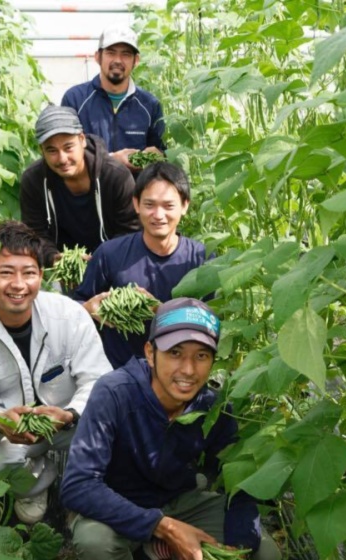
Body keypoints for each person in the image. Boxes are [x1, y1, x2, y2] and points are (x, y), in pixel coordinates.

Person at [59, 298, 280, 560]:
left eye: (202, 356)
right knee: (94, 544)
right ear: (150, 352)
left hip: (179, 498)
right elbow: (77, 486)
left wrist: (236, 548)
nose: (188, 370)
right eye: (175, 352)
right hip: (116, 506)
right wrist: (165, 527)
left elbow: (239, 478)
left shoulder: (212, 405)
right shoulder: (114, 393)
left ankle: (156, 553)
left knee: (266, 558)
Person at [0, 221, 112, 524]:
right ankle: (37, 483)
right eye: (6, 273)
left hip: (68, 424)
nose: (19, 284)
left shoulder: (69, 314)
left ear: (41, 276)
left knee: (112, 432)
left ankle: (84, 488)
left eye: (29, 273)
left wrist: (70, 414)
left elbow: (97, 379)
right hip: (11, 434)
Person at [72, 161, 207, 368]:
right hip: (119, 374)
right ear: (136, 204)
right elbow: (74, 308)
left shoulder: (201, 259)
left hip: (181, 373)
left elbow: (211, 322)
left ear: (185, 206)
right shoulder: (110, 254)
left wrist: (160, 311)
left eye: (168, 206)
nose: (158, 215)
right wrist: (87, 309)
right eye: (149, 205)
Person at [19, 105, 140, 262]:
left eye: (68, 147)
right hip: (61, 268)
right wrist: (55, 258)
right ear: (42, 151)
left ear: (82, 140)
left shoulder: (115, 176)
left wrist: (100, 260)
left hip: (112, 263)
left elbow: (130, 231)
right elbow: (34, 233)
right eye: (52, 151)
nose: (62, 159)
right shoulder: (33, 180)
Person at [61, 25, 165, 171]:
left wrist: (142, 158)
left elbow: (160, 154)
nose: (118, 60)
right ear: (98, 57)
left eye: (126, 54)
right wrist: (112, 160)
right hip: (91, 191)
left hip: (134, 192)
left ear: (136, 60)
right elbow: (65, 152)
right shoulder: (75, 100)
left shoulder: (150, 105)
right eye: (111, 53)